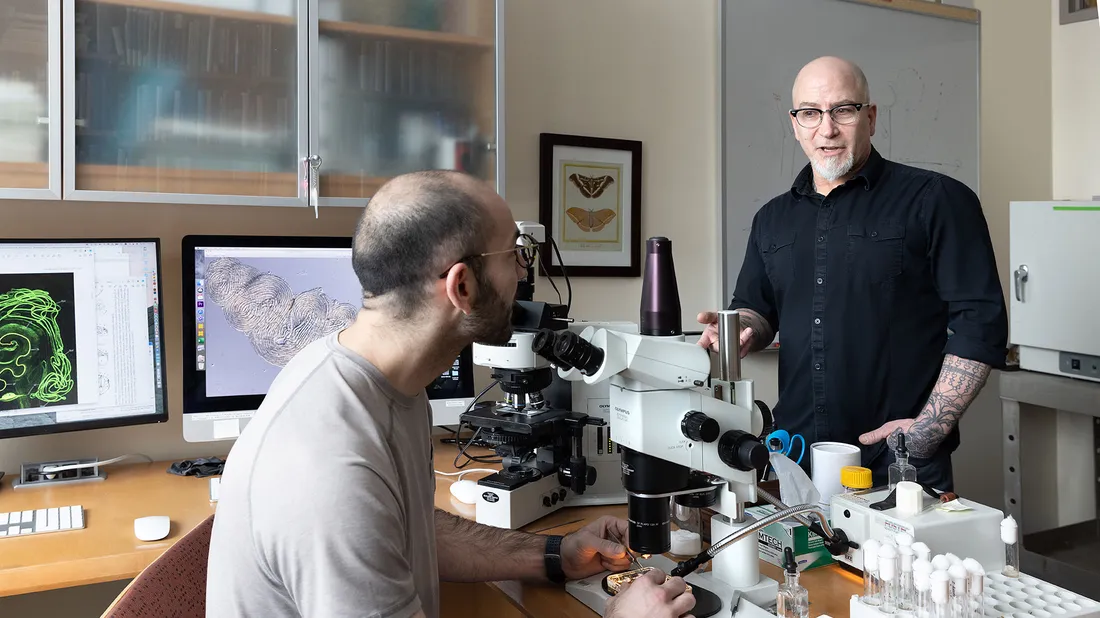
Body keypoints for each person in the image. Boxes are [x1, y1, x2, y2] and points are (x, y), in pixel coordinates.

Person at [205, 170, 695, 618]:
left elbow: (409, 531)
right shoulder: (332, 468)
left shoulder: (386, 381)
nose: (525, 277)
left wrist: (554, 555)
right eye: (516, 256)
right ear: (461, 285)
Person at [698, 56, 1007, 492]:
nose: (826, 129)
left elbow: (982, 322)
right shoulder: (772, 219)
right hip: (796, 458)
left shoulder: (937, 200)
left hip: (899, 461)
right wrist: (741, 328)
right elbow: (758, 309)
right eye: (810, 113)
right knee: (804, 565)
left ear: (871, 117)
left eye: (843, 110)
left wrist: (928, 430)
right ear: (795, 123)